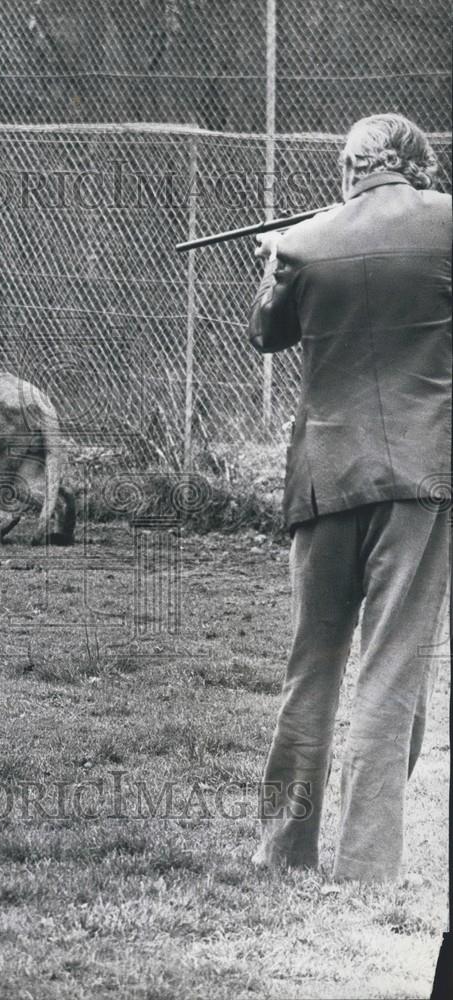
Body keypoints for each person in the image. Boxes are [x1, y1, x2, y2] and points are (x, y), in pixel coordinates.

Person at [246, 113, 451, 882]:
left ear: (350, 168)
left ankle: (280, 853)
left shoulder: (303, 240)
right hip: (420, 474)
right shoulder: (445, 223)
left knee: (311, 665)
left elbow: (266, 335)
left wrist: (278, 262)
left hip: (322, 474)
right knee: (392, 667)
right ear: (416, 166)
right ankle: (365, 868)